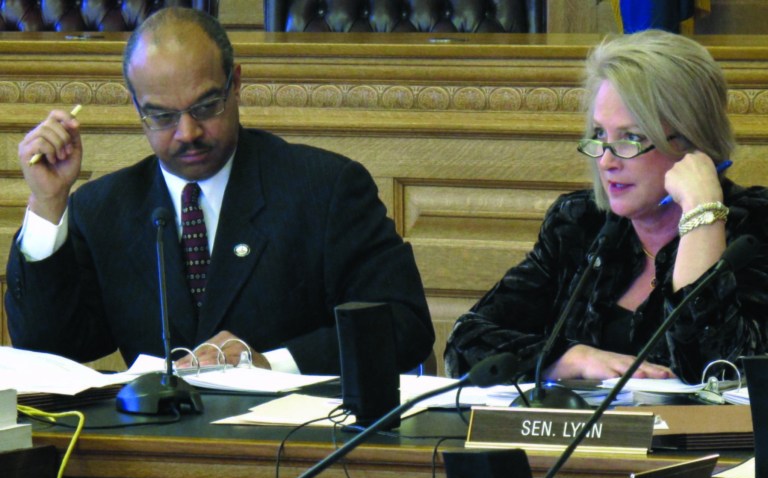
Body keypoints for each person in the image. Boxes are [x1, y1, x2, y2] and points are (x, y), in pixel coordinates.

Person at [5, 7, 434, 375]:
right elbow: (50, 350)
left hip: (299, 447)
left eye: (207, 107)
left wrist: (269, 363)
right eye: (162, 116)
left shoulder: (325, 189)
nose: (188, 132)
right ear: (137, 107)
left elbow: (404, 325)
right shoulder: (104, 210)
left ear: (236, 84)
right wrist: (48, 203)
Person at [445, 30, 768, 384]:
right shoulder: (581, 224)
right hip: (577, 439)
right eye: (600, 135)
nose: (607, 161)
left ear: (693, 141)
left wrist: (703, 215)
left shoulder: (755, 229)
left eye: (631, 138)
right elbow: (466, 342)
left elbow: (717, 372)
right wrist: (570, 359)